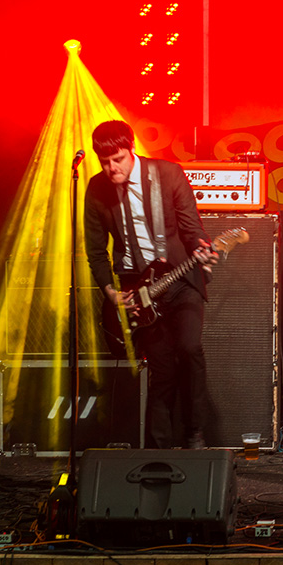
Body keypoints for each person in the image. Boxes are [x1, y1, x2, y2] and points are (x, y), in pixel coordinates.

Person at [83, 119, 219, 449]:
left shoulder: (167, 174)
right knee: (159, 368)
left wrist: (201, 245)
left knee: (189, 348)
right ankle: (158, 446)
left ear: (132, 150)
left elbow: (190, 226)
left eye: (117, 159)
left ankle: (195, 433)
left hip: (180, 277)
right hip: (138, 290)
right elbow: (96, 251)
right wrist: (111, 292)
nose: (111, 168)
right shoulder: (96, 188)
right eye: (104, 162)